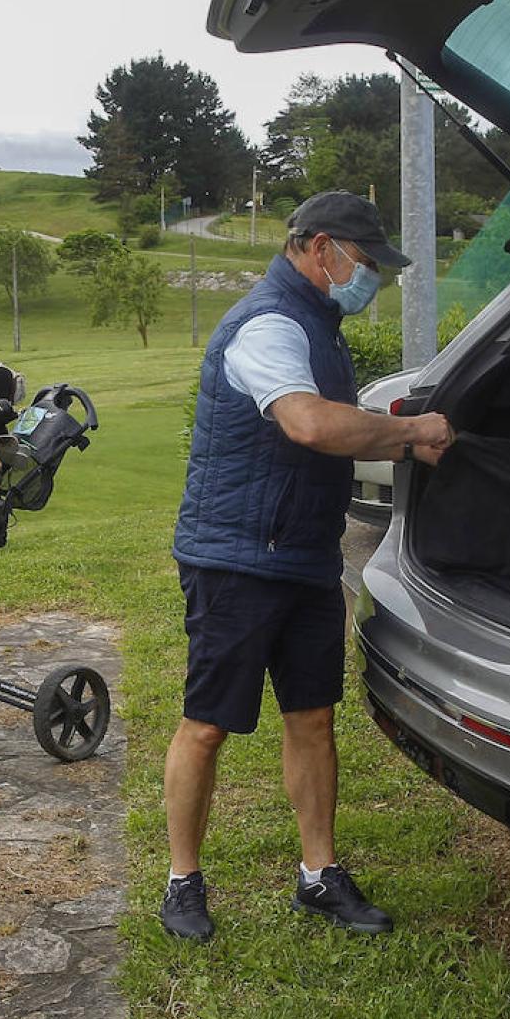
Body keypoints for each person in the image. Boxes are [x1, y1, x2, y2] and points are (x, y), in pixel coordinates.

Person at [163, 190, 452, 943]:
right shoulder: (269, 324)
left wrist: (396, 437)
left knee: (313, 718)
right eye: (365, 265)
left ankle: (319, 877)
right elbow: (310, 422)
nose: (372, 282)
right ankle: (182, 882)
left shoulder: (318, 324)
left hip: (302, 558)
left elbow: (337, 428)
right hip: (236, 560)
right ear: (320, 249)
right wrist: (412, 428)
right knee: (207, 725)